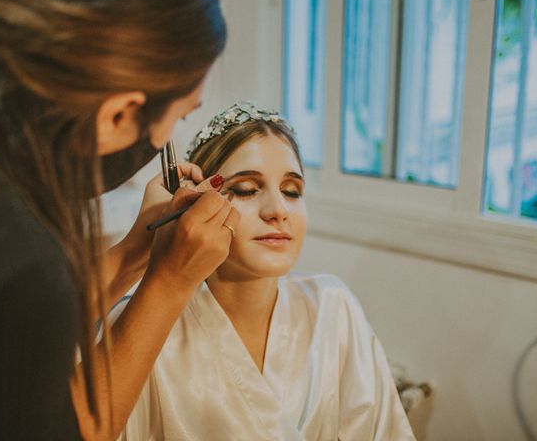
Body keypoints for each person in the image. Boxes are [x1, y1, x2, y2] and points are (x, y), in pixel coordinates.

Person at [0, 0, 240, 439]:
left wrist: (131, 256)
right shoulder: (3, 245)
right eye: (179, 117)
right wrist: (167, 284)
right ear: (118, 115)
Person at [116, 102, 416, 440]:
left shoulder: (334, 306)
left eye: (292, 191)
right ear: (194, 203)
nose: (278, 210)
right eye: (246, 189)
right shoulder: (144, 330)